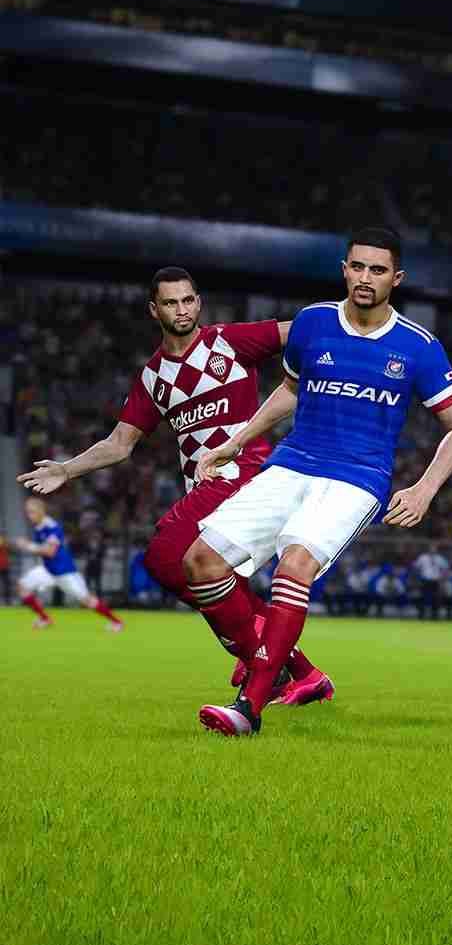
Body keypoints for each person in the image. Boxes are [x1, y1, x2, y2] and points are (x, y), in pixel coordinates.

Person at [186, 227, 452, 735]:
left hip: (357, 477)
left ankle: (249, 707)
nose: (365, 277)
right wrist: (237, 441)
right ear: (344, 269)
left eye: (378, 270)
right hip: (291, 462)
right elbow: (290, 389)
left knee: (295, 564)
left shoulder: (418, 345)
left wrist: (424, 488)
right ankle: (281, 666)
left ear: (397, 278)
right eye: (357, 267)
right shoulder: (313, 322)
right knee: (200, 563)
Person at [16, 266, 325, 698]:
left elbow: (307, 328)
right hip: (204, 488)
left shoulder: (229, 342)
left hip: (243, 472)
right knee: (222, 587)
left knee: (164, 558)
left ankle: (260, 662)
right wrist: (67, 469)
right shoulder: (153, 377)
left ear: (198, 303)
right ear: (153, 309)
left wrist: (351, 326)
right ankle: (303, 674)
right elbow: (119, 444)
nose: (181, 310)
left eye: (188, 300)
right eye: (170, 303)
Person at [11, 497, 125, 631]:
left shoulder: (51, 527)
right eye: (28, 512)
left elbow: (50, 552)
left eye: (32, 512)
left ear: (41, 511)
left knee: (86, 600)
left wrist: (28, 546)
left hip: (65, 572)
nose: (29, 515)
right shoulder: (38, 527)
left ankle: (117, 622)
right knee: (22, 587)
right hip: (48, 570)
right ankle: (44, 619)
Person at [413, 544, 450, 620]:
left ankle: (434, 614)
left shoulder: (440, 558)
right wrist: (418, 578)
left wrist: (443, 579)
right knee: (422, 597)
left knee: (435, 598)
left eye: (434, 549)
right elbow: (416, 567)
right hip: (425, 579)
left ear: (436, 550)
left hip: (435, 580)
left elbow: (446, 568)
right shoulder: (423, 557)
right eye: (431, 549)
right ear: (428, 549)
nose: (432, 551)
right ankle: (421, 613)